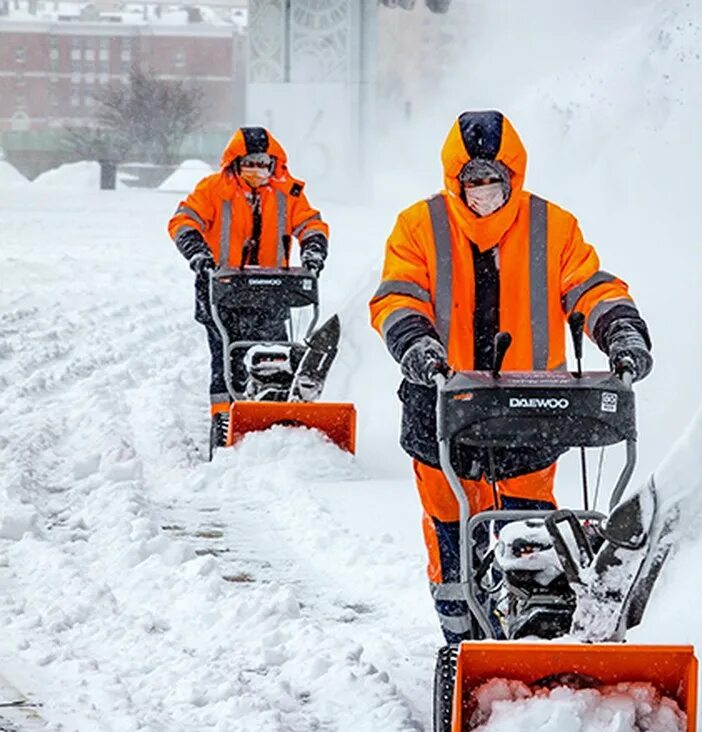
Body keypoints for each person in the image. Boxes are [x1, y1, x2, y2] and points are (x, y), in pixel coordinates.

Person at [369, 110, 654, 644]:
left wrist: (621, 332)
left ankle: (538, 635)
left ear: (512, 176)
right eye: (472, 181)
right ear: (456, 180)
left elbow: (590, 287)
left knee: (527, 529)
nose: (483, 193)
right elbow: (399, 294)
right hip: (439, 403)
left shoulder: (553, 226)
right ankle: (461, 643)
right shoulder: (420, 225)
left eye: (493, 180)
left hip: (530, 409)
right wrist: (416, 344)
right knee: (451, 530)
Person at [167, 127, 329, 453]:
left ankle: (276, 413)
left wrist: (313, 250)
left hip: (272, 291)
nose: (258, 170)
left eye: (265, 163)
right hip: (221, 291)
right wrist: (198, 253)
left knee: (278, 354)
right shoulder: (213, 190)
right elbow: (183, 220)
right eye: (251, 163)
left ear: (275, 164)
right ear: (236, 163)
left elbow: (310, 223)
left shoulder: (289, 193)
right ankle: (224, 419)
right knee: (227, 358)